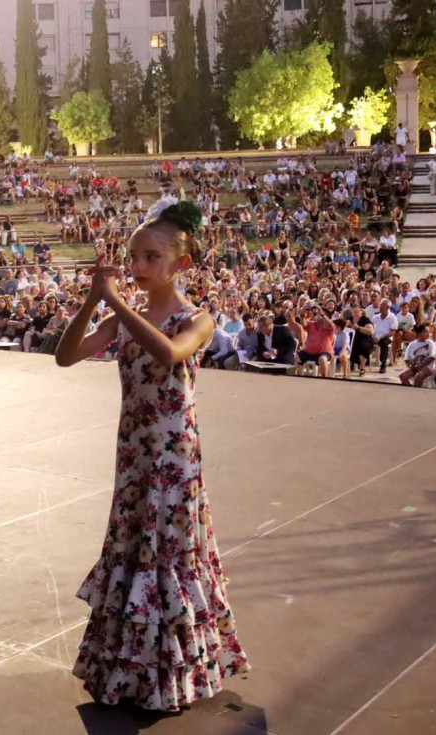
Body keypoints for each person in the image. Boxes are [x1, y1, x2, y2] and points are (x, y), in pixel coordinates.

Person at [54, 200, 249, 710]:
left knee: (167, 550)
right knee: (136, 543)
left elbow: (169, 352)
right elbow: (65, 355)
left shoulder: (197, 318)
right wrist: (93, 300)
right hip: (135, 454)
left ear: (180, 265)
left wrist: (116, 305)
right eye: (133, 257)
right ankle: (129, 668)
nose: (138, 267)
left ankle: (171, 674)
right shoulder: (128, 317)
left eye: (150, 258)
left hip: (172, 456)